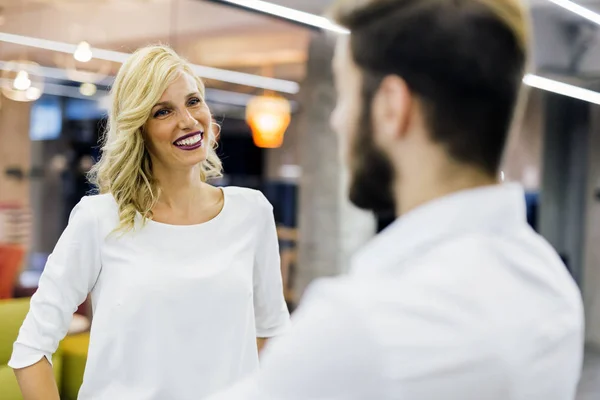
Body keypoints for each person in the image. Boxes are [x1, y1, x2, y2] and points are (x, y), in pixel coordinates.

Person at [207, 0, 585, 399]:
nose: (335, 120)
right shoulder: (551, 284)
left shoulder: (360, 328)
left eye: (344, 94)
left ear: (391, 106)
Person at [10, 45, 290, 399]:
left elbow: (273, 333)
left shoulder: (251, 212)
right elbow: (31, 349)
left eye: (193, 101)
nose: (188, 121)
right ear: (138, 129)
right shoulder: (99, 219)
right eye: (163, 111)